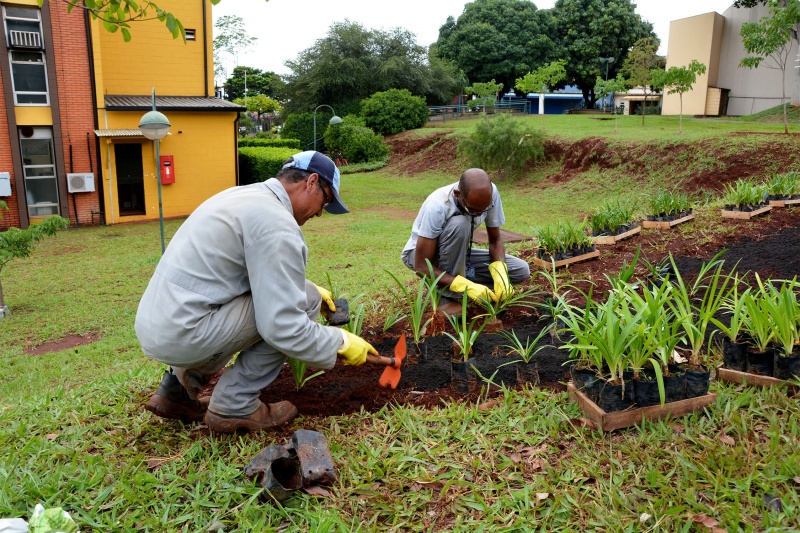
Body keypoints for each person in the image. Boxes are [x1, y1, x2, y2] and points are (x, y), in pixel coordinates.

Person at [135, 151, 378, 434]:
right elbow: (283, 326)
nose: (320, 212)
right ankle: (234, 404)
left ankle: (177, 389)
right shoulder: (276, 224)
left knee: (304, 293)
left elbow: (237, 273)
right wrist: (339, 343)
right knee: (303, 304)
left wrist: (309, 287)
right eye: (325, 201)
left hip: (161, 324)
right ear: (312, 182)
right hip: (186, 333)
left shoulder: (242, 196)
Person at [401, 168, 530, 304]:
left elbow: (495, 239)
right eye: (473, 209)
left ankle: (471, 288)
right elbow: (421, 266)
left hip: (457, 254)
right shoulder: (437, 206)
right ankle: (448, 297)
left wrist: (500, 275)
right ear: (458, 194)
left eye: (483, 209)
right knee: (461, 223)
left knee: (520, 270)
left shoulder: (491, 194)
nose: (479, 214)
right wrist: (465, 287)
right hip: (420, 256)